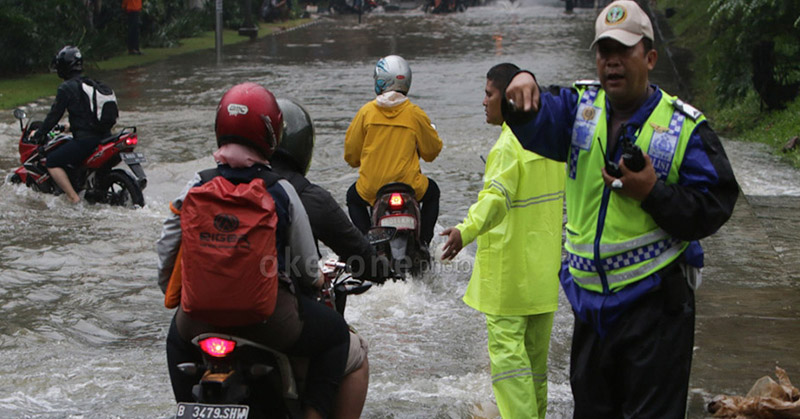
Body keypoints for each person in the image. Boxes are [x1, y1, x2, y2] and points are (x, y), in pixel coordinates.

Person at [503, 1, 740, 417]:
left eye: (623, 51)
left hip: (655, 307)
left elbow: (713, 207)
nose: (611, 62)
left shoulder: (685, 128)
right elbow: (536, 119)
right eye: (604, 52)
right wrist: (522, 85)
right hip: (591, 306)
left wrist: (652, 193)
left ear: (649, 57)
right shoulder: (579, 109)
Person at [157, 83, 357, 419]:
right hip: (268, 319)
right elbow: (308, 267)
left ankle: (188, 410)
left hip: (199, 317)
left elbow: (167, 245)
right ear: (271, 133)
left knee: (175, 340)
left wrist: (172, 290)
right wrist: (316, 285)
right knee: (339, 339)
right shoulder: (280, 190)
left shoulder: (196, 183)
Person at [440, 63, 565, 418]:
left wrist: (465, 230)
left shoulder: (509, 145)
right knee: (535, 369)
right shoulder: (552, 143)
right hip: (543, 278)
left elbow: (495, 199)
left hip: (509, 282)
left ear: (508, 99)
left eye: (489, 94)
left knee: (510, 370)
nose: (483, 101)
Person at [344, 54, 443, 252]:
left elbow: (351, 156)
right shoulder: (415, 114)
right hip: (410, 187)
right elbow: (432, 152)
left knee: (352, 198)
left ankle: (367, 242)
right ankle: (423, 243)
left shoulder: (365, 113)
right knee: (433, 193)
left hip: (371, 190)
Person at [33, 46, 112, 204]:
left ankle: (73, 197)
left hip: (86, 141)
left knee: (53, 161)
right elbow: (87, 113)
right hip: (106, 137)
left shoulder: (66, 88)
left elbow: (54, 115)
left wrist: (39, 133)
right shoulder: (89, 84)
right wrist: (70, 126)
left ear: (63, 67)